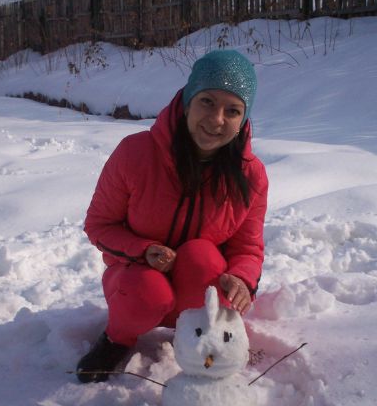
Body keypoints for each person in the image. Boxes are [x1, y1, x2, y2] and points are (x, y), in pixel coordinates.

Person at [77, 49, 268, 383]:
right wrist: (143, 249)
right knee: (149, 290)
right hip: (135, 285)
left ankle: (205, 344)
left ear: (244, 119)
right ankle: (117, 338)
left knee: (203, 256)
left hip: (199, 291)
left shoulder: (251, 176)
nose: (217, 119)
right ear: (187, 101)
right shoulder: (135, 154)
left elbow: (248, 247)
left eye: (232, 110)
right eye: (207, 101)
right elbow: (99, 225)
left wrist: (241, 278)